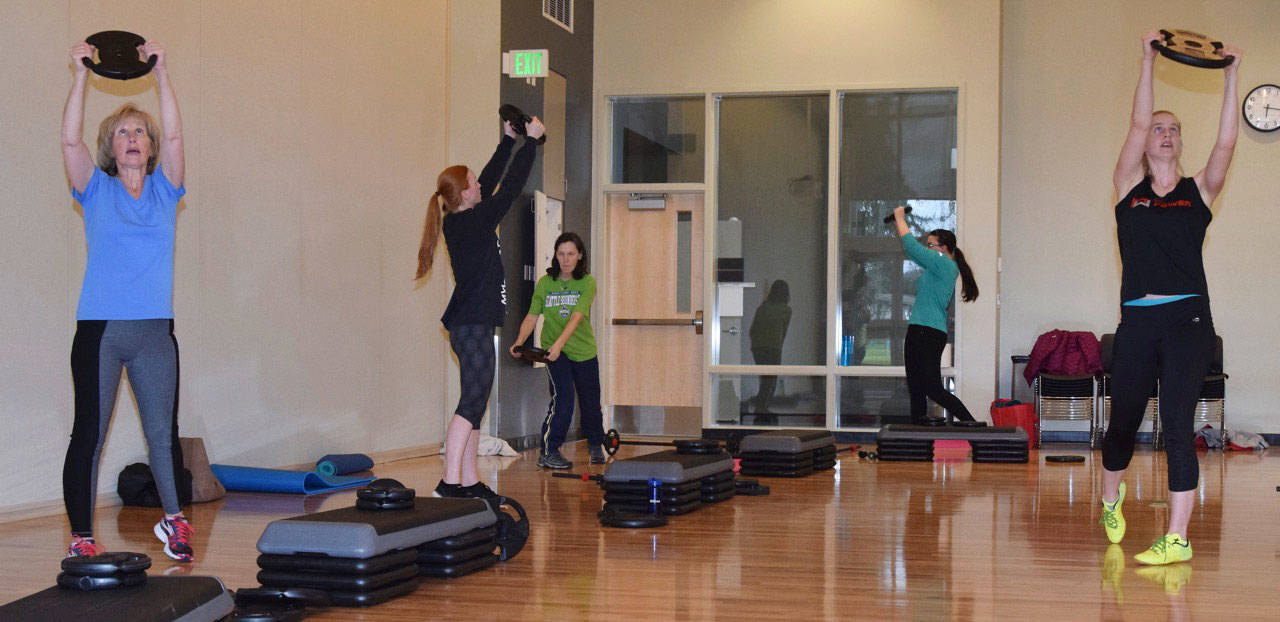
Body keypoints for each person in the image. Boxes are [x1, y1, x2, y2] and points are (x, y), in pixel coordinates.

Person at [1098, 31, 1240, 566]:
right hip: (1136, 324)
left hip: (1188, 322)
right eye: (1159, 128)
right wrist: (1146, 61)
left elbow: (1225, 146)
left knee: (1178, 424)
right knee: (1124, 424)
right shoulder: (1127, 186)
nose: (1163, 134)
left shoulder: (1197, 191)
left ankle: (1177, 539)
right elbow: (1135, 123)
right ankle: (1111, 496)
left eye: (1173, 130)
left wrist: (1230, 77)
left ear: (1180, 143)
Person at [61, 40, 193, 561]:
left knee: (164, 436)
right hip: (101, 331)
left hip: (155, 333)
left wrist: (161, 75)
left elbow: (178, 133)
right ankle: (82, 536)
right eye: (122, 132)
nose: (133, 137)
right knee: (88, 436)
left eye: (140, 131)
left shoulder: (166, 191)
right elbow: (69, 143)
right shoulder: (96, 190)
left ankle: (175, 522)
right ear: (110, 147)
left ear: (151, 146)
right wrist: (79, 76)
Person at [416, 115, 544, 499]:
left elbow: (488, 183)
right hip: (470, 324)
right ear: (466, 194)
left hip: (473, 324)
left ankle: (469, 482)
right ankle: (448, 483)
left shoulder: (466, 217)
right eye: (473, 182)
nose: (479, 184)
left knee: (475, 400)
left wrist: (508, 141)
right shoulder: (473, 223)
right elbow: (508, 190)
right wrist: (531, 144)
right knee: (471, 402)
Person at [508, 232, 606, 469]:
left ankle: (595, 444)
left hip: (582, 351)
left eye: (571, 254)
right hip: (554, 353)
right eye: (561, 254)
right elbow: (532, 316)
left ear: (580, 255)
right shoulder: (545, 283)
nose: (566, 259)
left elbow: (576, 318)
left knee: (590, 402)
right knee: (563, 398)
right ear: (556, 256)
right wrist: (519, 341)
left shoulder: (587, 283)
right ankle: (549, 451)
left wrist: (559, 344)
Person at [891, 206, 978, 426]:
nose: (927, 249)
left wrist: (899, 218)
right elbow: (912, 251)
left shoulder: (945, 265)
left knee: (931, 387)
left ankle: (971, 423)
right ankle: (918, 429)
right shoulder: (937, 268)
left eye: (931, 245)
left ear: (944, 248)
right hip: (919, 329)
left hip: (927, 332)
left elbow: (910, 246)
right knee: (916, 385)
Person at [749, 280, 791, 417]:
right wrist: (778, 346)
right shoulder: (786, 310)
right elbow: (783, 332)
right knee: (770, 379)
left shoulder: (762, 307)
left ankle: (761, 407)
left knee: (764, 378)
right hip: (773, 347)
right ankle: (762, 408)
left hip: (757, 347)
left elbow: (753, 329)